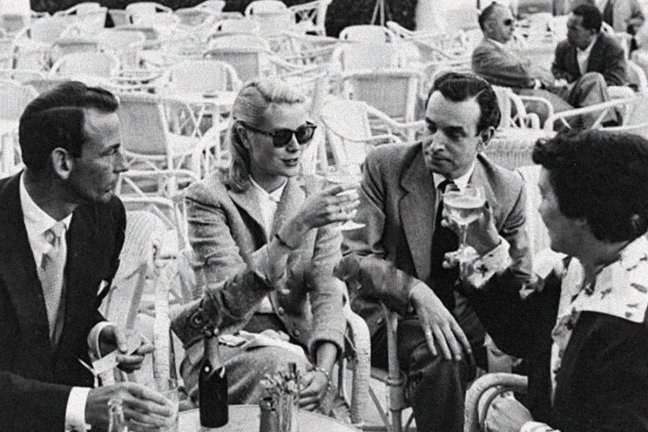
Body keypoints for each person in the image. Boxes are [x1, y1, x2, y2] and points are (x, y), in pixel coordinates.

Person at [338, 71, 532, 432]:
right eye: (430, 128)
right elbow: (353, 258)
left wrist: (489, 248)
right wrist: (415, 291)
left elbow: (522, 283)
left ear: (484, 138)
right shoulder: (387, 166)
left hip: (472, 320)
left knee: (538, 345)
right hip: (392, 317)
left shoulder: (507, 188)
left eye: (454, 134)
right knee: (444, 354)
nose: (434, 143)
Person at [433, 129, 648, 432]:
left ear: (583, 213)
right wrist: (487, 249)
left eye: (545, 195)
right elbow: (520, 333)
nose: (538, 208)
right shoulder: (580, 266)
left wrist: (526, 430)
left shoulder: (634, 321)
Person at [171, 77, 358, 413]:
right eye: (281, 136)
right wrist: (297, 226)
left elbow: (328, 292)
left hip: (299, 345)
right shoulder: (209, 198)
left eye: (303, 133)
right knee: (281, 372)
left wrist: (324, 371)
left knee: (297, 380)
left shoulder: (315, 193)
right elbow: (228, 302)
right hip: (225, 344)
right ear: (244, 136)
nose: (296, 147)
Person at [0, 81, 174, 432]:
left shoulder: (104, 217)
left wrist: (101, 333)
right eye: (110, 153)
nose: (124, 165)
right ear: (62, 162)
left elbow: (71, 310)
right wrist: (79, 404)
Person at [472, 2, 619, 126]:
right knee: (583, 117)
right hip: (534, 101)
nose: (513, 27)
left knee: (593, 79)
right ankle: (600, 135)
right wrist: (541, 75)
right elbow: (525, 73)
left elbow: (531, 70)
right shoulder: (483, 53)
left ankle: (605, 128)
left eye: (514, 22)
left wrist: (541, 75)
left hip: (547, 91)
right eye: (507, 22)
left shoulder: (504, 49)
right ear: (489, 26)